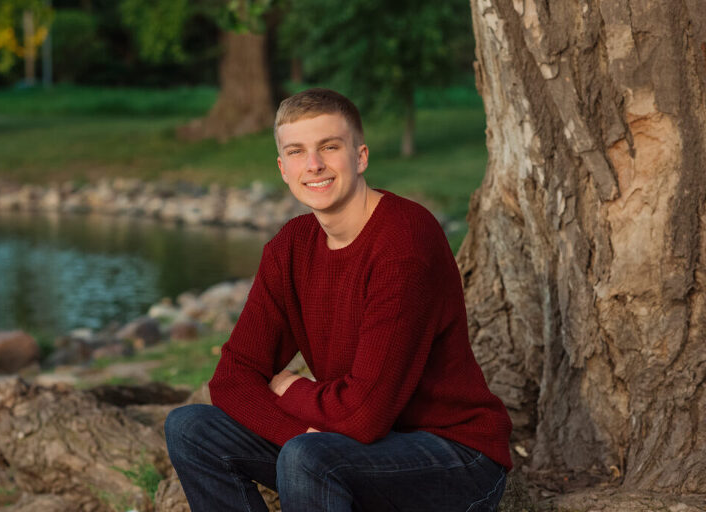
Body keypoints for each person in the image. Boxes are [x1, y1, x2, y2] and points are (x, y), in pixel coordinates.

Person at [165, 88, 512, 511]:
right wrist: (300, 433)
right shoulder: (291, 246)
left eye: (329, 147)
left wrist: (291, 388)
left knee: (309, 459)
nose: (313, 164)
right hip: (348, 444)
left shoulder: (403, 243)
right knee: (190, 428)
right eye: (296, 151)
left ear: (360, 156)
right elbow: (232, 377)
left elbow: (364, 415)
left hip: (452, 455)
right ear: (283, 168)